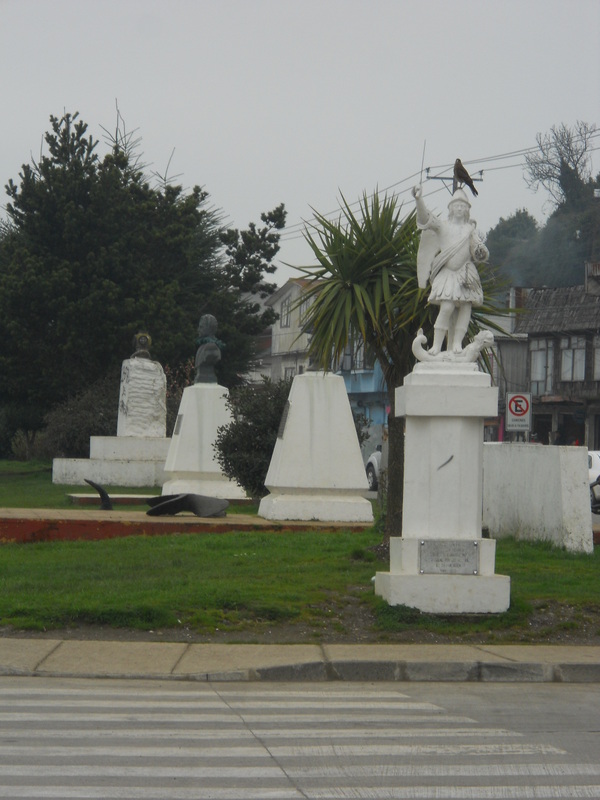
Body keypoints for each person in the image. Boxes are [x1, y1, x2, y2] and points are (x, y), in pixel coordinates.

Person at [412, 185, 489, 355]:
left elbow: (478, 252)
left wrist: (481, 251)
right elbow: (425, 219)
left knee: (465, 308)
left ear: (467, 209)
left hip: (466, 274)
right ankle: (436, 346)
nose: (460, 208)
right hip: (448, 274)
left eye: (463, 206)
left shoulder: (470, 230)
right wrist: (419, 200)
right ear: (451, 208)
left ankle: (457, 344)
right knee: (446, 307)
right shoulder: (443, 226)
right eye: (456, 205)